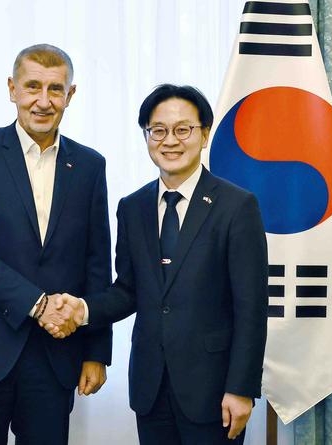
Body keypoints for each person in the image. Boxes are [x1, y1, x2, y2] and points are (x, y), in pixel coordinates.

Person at [45, 84, 268, 444]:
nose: (170, 141)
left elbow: (252, 306)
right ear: (147, 137)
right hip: (150, 386)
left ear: (204, 134)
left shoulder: (236, 206)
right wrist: (82, 309)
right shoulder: (132, 207)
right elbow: (127, 290)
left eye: (183, 129)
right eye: (158, 130)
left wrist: (241, 388)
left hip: (212, 389)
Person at [0, 44, 112, 445]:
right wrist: (38, 304)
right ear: (12, 89)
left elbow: (97, 262)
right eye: (32, 87)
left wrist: (96, 352)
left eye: (55, 89)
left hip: (54, 359)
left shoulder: (90, 165)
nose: (43, 101)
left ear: (70, 95)